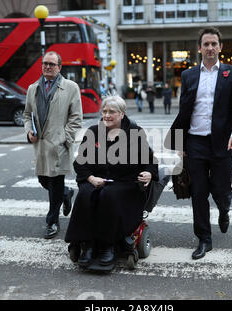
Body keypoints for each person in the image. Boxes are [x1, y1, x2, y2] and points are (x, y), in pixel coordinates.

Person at [165, 27, 232, 260]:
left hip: (224, 143)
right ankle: (204, 239)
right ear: (199, 48)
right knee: (199, 192)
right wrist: (180, 143)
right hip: (195, 143)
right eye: (206, 44)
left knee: (221, 189)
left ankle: (224, 208)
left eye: (214, 44)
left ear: (221, 47)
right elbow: (184, 111)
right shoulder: (189, 75)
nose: (210, 48)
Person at [65, 95, 158, 267]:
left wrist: (149, 173)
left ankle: (109, 246)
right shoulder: (94, 131)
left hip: (125, 183)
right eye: (104, 111)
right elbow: (79, 162)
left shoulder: (135, 133)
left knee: (109, 194)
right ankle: (89, 245)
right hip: (96, 180)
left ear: (122, 114)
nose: (106, 115)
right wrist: (91, 179)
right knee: (85, 194)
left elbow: (150, 161)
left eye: (112, 112)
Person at [23, 51, 83, 239]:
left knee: (55, 182)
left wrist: (65, 136)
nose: (47, 67)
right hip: (40, 145)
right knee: (43, 180)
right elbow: (27, 115)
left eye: (51, 64)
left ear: (59, 67)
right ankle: (66, 193)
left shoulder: (71, 87)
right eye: (45, 63)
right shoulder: (33, 88)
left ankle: (52, 222)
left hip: (59, 145)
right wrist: (28, 131)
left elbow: (76, 117)